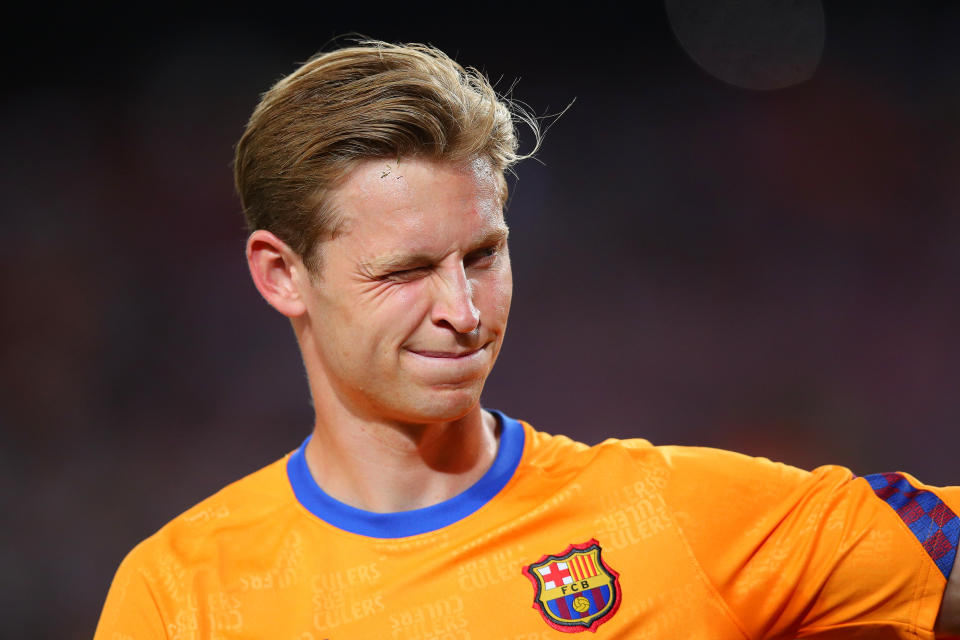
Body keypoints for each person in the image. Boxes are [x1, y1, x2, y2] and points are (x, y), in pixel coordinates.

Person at [95, 41, 960, 639]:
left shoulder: (679, 520)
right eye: (404, 272)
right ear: (282, 275)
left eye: (483, 256)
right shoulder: (180, 594)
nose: (464, 311)